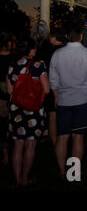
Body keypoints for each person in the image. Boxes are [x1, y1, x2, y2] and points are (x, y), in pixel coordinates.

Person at [49, 24, 87, 180]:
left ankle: (61, 171)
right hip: (83, 101)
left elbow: (53, 81)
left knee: (62, 137)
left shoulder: (57, 54)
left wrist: (57, 95)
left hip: (63, 101)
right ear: (81, 36)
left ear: (66, 36)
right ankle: (74, 171)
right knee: (78, 137)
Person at [6, 38, 50, 187]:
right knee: (30, 146)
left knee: (18, 145)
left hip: (16, 110)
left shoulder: (12, 66)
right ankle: (25, 177)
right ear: (31, 50)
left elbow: (10, 91)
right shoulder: (39, 66)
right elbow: (47, 89)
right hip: (34, 110)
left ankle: (17, 179)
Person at [44, 27, 67, 147]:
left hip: (51, 86)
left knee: (52, 116)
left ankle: (55, 144)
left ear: (54, 37)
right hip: (65, 87)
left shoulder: (48, 51)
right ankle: (63, 142)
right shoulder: (66, 50)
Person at [0, 32, 14, 166]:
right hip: (10, 97)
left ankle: (6, 155)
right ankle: (8, 155)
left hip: (6, 97)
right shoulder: (13, 60)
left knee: (3, 126)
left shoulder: (13, 59)